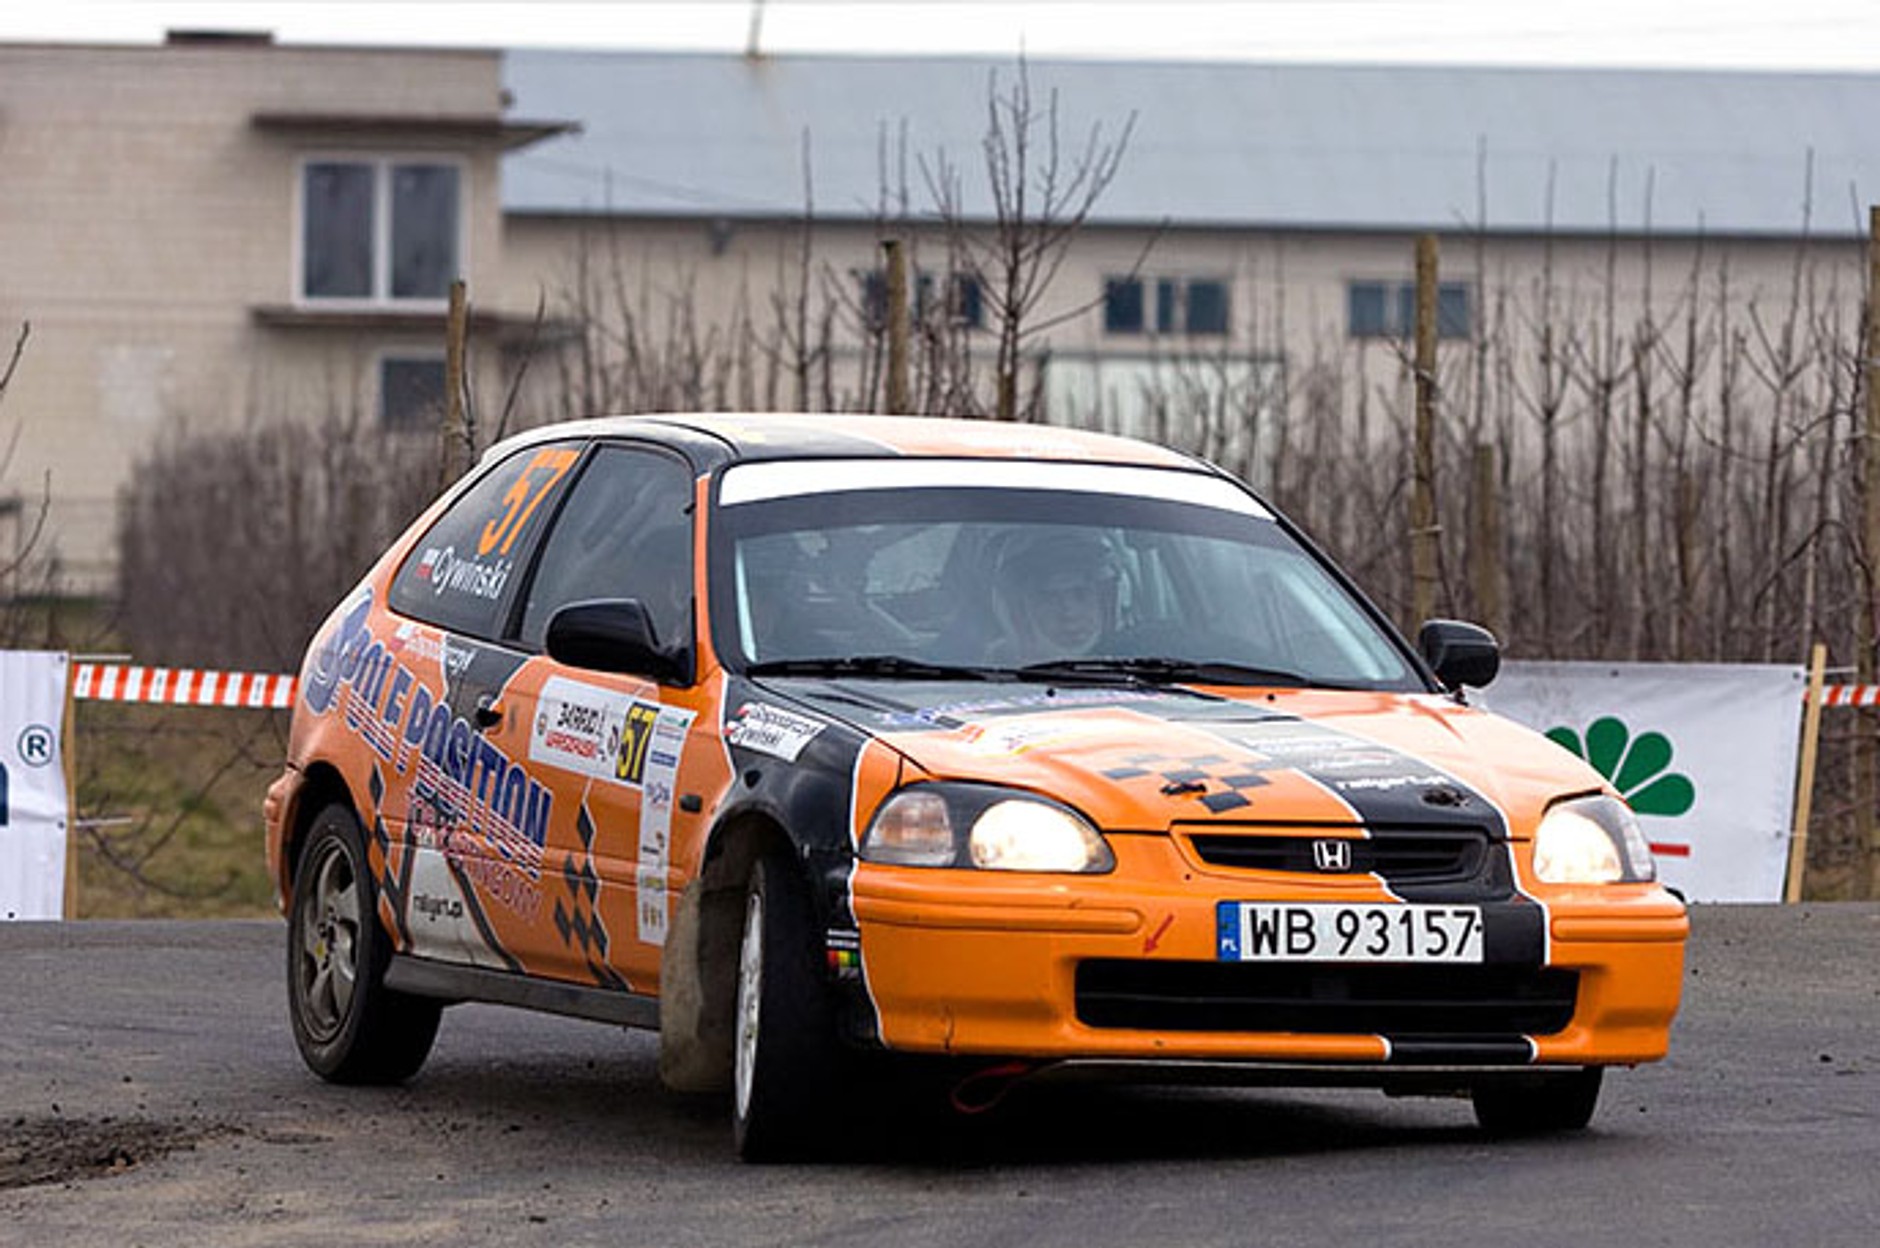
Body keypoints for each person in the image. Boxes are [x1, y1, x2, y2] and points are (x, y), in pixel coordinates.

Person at [990, 529, 1121, 663]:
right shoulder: (989, 668)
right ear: (1020, 609)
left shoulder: (1129, 660)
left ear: (1104, 600)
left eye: (1081, 594)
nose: (1070, 613)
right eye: (1049, 598)